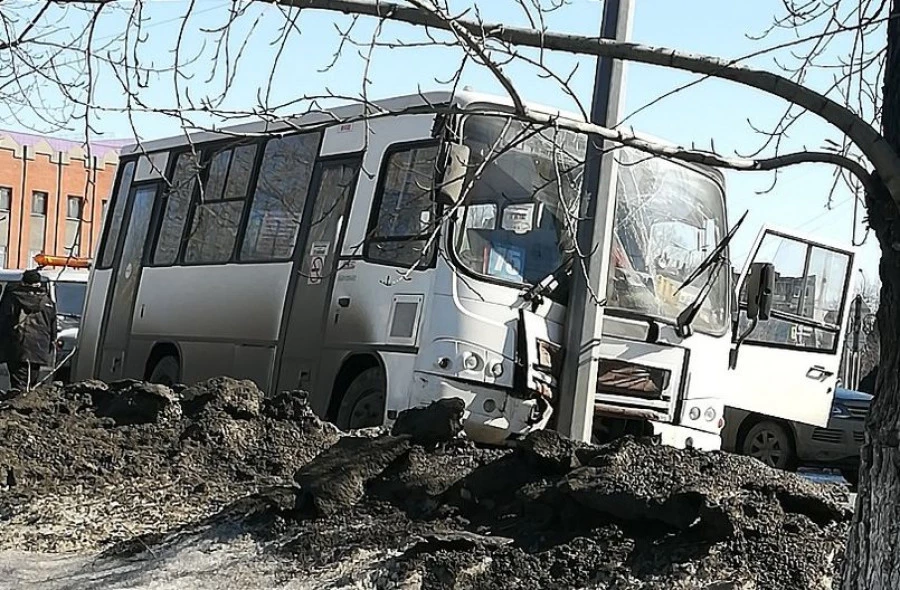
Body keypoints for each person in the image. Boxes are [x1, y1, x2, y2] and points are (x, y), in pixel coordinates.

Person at [0, 270, 57, 392]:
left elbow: (3, 321)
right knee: (31, 383)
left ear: (23, 282)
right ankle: (27, 406)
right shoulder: (47, 301)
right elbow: (53, 328)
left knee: (19, 384)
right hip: (39, 348)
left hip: (17, 347)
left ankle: (18, 407)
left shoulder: (12, 298)